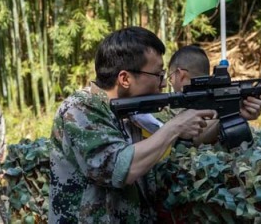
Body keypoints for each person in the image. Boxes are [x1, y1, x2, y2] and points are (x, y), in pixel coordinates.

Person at [49, 27, 217, 223]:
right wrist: (175, 126)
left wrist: (227, 113)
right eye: (158, 75)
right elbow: (119, 168)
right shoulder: (79, 109)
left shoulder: (134, 112)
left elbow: (185, 142)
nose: (162, 84)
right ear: (125, 79)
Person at [167, 44, 261, 145]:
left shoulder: (170, 109)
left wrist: (234, 113)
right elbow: (194, 137)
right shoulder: (171, 109)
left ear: (180, 75)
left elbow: (198, 136)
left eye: (170, 77)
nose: (166, 84)